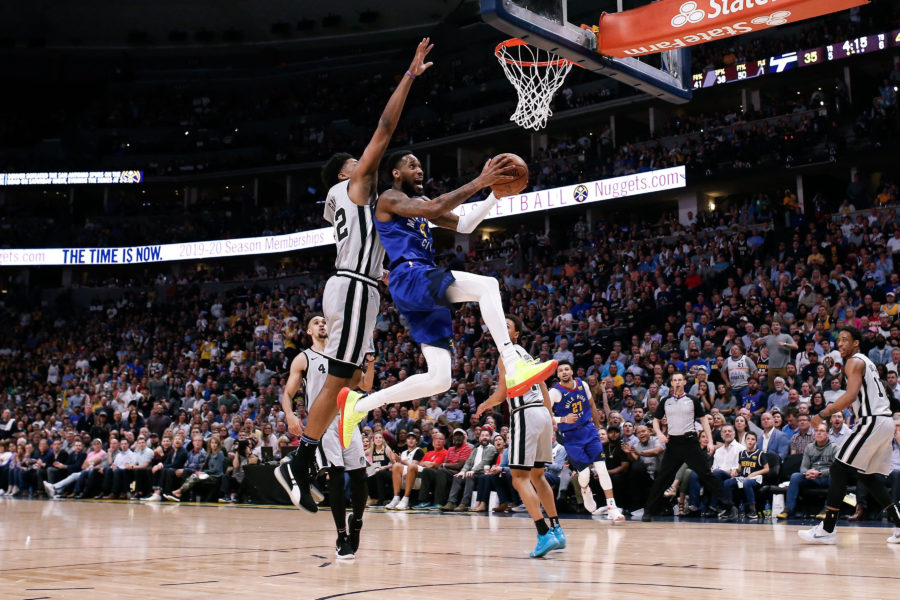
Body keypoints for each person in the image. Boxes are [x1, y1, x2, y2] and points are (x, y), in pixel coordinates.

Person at [281, 39, 434, 513]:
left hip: (359, 285)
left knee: (344, 379)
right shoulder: (356, 182)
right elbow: (386, 127)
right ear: (349, 173)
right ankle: (299, 461)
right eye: (357, 161)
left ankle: (301, 460)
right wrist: (408, 76)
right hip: (352, 286)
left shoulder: (345, 202)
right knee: (340, 380)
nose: (364, 162)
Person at [336, 153, 559, 450]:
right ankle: (512, 362)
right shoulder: (389, 198)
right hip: (412, 275)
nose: (419, 169)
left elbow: (464, 225)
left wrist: (494, 195)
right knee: (487, 286)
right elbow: (434, 207)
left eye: (420, 165)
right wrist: (481, 180)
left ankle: (359, 404)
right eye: (411, 165)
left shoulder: (420, 204)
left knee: (440, 379)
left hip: (416, 286)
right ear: (396, 172)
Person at [275, 313, 375, 559]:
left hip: (348, 419)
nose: (322, 324)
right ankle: (341, 536)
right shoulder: (303, 358)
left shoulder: (344, 357)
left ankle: (357, 524)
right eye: (316, 322)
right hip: (325, 424)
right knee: (338, 479)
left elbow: (364, 385)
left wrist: (370, 362)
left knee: (360, 479)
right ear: (309, 331)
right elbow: (288, 394)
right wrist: (289, 415)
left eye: (324, 322)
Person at [799, 327, 900, 545]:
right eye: (839, 341)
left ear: (856, 343)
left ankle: (827, 529)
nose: (841, 343)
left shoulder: (853, 361)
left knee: (838, 468)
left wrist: (823, 414)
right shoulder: (866, 363)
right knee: (866, 475)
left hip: (872, 421)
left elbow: (850, 395)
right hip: (883, 421)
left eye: (846, 339)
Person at [475, 316, 565, 558]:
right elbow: (543, 386)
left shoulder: (507, 354)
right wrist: (549, 418)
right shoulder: (524, 353)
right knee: (537, 475)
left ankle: (543, 533)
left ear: (515, 335)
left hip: (525, 412)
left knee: (518, 477)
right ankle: (557, 530)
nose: (502, 327)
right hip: (542, 414)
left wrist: (485, 404)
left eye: (508, 326)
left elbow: (503, 393)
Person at [642, 372, 739, 522]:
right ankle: (649, 510)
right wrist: (660, 433)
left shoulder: (692, 400)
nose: (677, 382)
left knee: (706, 474)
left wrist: (711, 442)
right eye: (675, 380)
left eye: (680, 380)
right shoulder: (665, 401)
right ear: (672, 383)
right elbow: (656, 420)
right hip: (673, 444)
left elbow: (704, 421)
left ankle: (730, 506)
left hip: (690, 443)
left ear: (684, 382)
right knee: (662, 477)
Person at [549, 361, 625, 520]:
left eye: (566, 369)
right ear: (557, 375)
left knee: (601, 468)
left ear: (572, 372)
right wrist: (563, 418)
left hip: (589, 430)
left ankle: (612, 507)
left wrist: (597, 428)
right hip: (571, 437)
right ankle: (585, 489)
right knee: (584, 475)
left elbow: (591, 405)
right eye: (560, 370)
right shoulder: (555, 392)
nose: (564, 372)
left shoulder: (582, 384)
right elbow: (545, 414)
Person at [778, 423, 834, 519]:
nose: (818, 433)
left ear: (827, 434)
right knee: (795, 476)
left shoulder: (834, 448)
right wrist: (807, 472)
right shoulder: (809, 447)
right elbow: (803, 467)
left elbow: (834, 469)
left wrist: (819, 473)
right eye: (816, 431)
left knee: (835, 477)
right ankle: (788, 509)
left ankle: (827, 509)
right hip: (812, 477)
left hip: (825, 478)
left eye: (822, 431)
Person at [723, 431, 769, 519]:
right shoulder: (742, 453)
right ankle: (730, 508)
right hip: (744, 477)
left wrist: (755, 473)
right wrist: (735, 470)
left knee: (747, 483)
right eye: (748, 439)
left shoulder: (760, 454)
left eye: (752, 439)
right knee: (727, 482)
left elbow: (767, 469)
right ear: (745, 441)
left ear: (756, 442)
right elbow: (740, 468)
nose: (750, 441)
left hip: (756, 479)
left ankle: (753, 510)